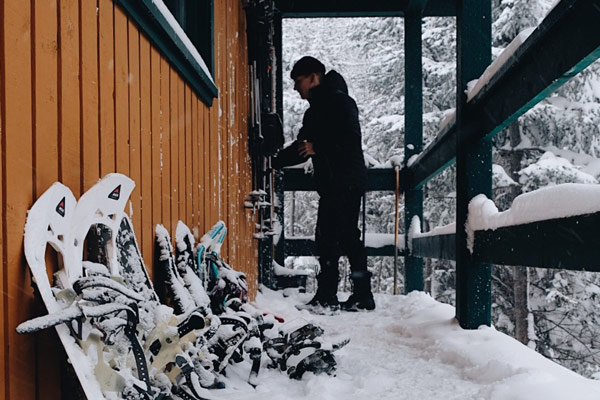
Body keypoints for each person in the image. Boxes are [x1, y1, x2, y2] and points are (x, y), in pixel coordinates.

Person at [273, 56, 375, 312]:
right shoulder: (316, 110)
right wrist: (274, 159)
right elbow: (302, 147)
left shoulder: (341, 102)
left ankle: (348, 295)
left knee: (341, 237)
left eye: (299, 81)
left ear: (314, 77)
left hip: (346, 180)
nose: (296, 88)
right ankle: (340, 295)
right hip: (334, 182)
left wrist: (318, 147)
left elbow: (350, 141)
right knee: (332, 237)